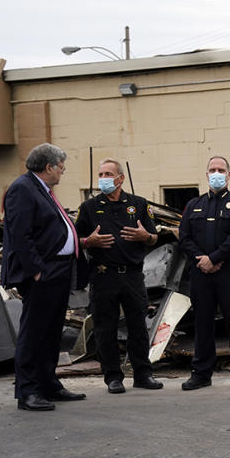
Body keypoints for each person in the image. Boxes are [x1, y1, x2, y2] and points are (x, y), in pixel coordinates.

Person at [1, 143, 88, 411]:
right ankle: (27, 391)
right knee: (34, 332)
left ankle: (49, 383)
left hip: (59, 270)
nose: (62, 172)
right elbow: (20, 234)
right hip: (43, 272)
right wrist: (36, 270)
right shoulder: (23, 188)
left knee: (52, 332)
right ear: (48, 167)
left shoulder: (43, 190)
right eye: (61, 167)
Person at [75, 159, 164, 394]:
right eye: (100, 174)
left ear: (120, 178)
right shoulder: (89, 207)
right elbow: (75, 240)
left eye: (108, 174)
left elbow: (154, 237)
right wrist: (88, 242)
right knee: (106, 328)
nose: (103, 178)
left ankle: (143, 374)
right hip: (103, 276)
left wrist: (145, 236)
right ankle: (113, 377)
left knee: (138, 327)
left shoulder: (138, 204)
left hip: (133, 276)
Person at [178, 156, 230, 390]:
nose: (216, 173)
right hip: (200, 272)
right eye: (212, 169)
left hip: (229, 271)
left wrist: (215, 258)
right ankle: (201, 373)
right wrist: (203, 260)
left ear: (229, 175)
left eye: (221, 169)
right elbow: (184, 237)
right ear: (206, 175)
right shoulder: (194, 205)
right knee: (202, 323)